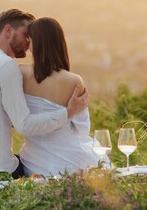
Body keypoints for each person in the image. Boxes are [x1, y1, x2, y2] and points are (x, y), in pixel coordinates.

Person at [0, 9, 89, 182]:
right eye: (25, 35)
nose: (28, 44)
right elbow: (25, 126)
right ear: (8, 31)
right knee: (35, 167)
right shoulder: (7, 66)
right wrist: (68, 112)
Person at [19, 17, 102, 176]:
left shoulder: (20, 74)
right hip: (70, 160)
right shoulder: (74, 81)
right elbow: (83, 129)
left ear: (33, 43)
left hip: (34, 162)